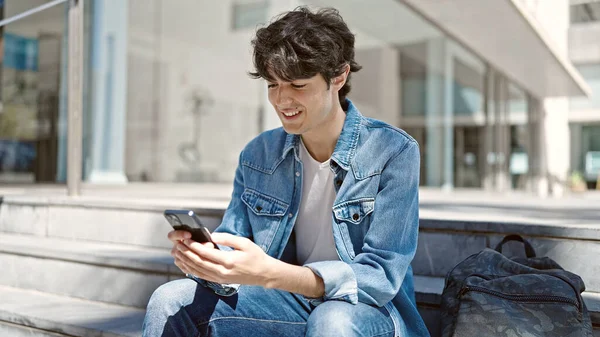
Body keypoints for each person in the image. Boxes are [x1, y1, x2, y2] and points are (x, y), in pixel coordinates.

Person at [143, 6, 429, 337]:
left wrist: (271, 273)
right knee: (169, 299)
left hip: (370, 312)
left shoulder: (392, 151)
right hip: (286, 302)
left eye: (297, 84)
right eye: (273, 84)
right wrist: (206, 259)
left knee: (332, 322)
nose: (282, 100)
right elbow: (236, 242)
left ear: (338, 77)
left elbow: (380, 278)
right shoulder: (259, 154)